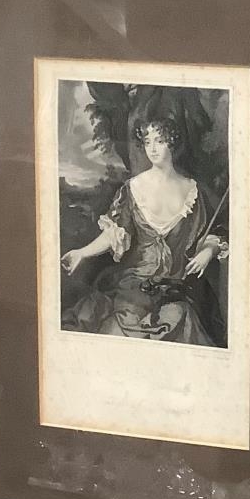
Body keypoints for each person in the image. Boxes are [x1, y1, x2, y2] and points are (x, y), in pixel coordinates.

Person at [61, 118, 228, 346]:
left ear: (173, 143)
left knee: (181, 325)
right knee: (118, 334)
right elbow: (114, 232)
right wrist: (82, 252)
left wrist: (208, 251)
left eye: (160, 141)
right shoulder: (133, 189)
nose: (152, 148)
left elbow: (214, 231)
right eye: (148, 141)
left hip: (175, 288)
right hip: (134, 286)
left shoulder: (194, 193)